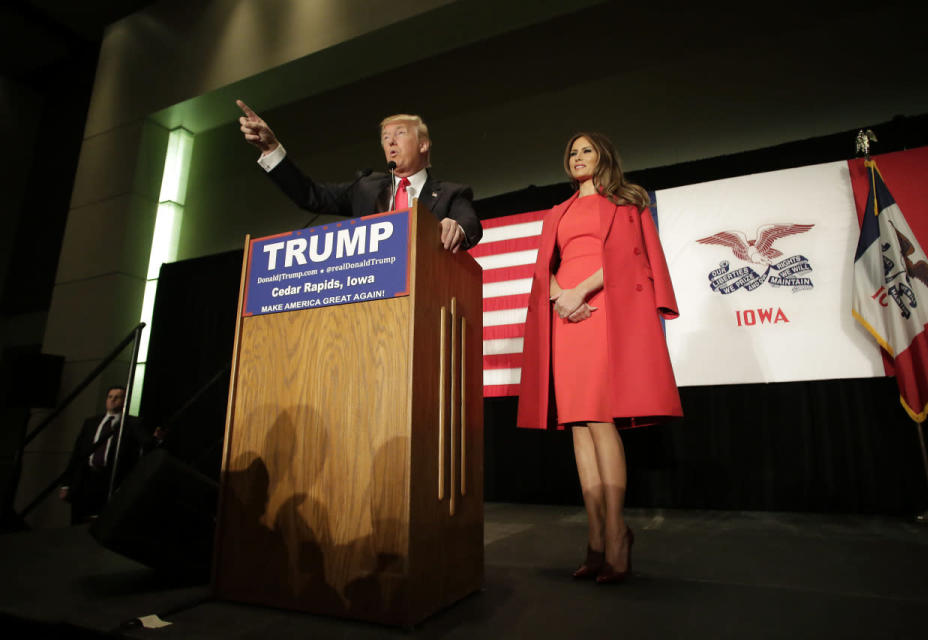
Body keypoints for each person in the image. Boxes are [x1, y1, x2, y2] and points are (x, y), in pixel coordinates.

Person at [516, 132, 682, 583]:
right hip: (565, 316)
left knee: (600, 419)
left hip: (603, 308)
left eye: (586, 150)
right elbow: (542, 268)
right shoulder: (558, 212)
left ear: (604, 156)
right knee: (577, 424)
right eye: (571, 151)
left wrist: (579, 291)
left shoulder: (626, 204)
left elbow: (634, 260)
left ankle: (616, 534)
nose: (578, 157)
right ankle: (594, 539)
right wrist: (558, 297)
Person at [236, 100, 482, 252]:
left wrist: (457, 227)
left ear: (423, 144)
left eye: (400, 133)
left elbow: (470, 224)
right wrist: (271, 149)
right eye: (385, 137)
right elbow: (310, 196)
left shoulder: (451, 193)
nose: (391, 141)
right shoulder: (365, 187)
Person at [59, 386, 155, 524]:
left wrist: (156, 439)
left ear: (124, 401)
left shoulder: (131, 423)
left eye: (117, 397)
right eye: (110, 397)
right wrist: (66, 484)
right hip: (85, 479)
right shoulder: (91, 423)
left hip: (110, 478)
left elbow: (146, 443)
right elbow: (77, 454)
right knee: (78, 520)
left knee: (104, 519)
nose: (113, 400)